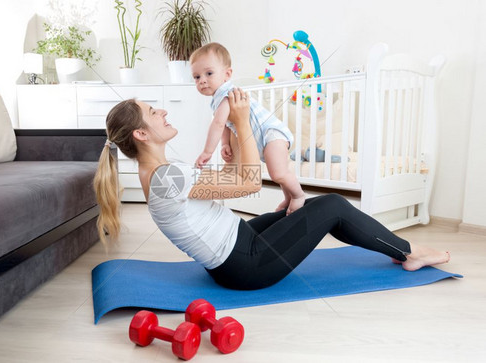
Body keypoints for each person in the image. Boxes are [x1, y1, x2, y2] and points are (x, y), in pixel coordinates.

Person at [93, 88, 450, 291]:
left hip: (235, 246)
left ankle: (390, 246)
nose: (163, 114)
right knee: (331, 205)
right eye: (153, 113)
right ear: (140, 134)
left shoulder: (158, 173)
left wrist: (231, 138)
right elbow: (249, 182)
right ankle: (409, 252)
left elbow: (227, 185)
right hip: (245, 267)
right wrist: (243, 120)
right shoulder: (166, 176)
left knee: (287, 212)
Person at [190, 42, 305, 215]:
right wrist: (224, 144)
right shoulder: (218, 99)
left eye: (209, 73)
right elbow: (227, 124)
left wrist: (207, 152)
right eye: (197, 77)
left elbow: (218, 124)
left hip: (271, 132)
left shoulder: (227, 93)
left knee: (278, 173)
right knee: (279, 170)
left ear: (227, 74)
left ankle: (298, 195)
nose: (202, 80)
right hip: (264, 138)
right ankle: (288, 197)